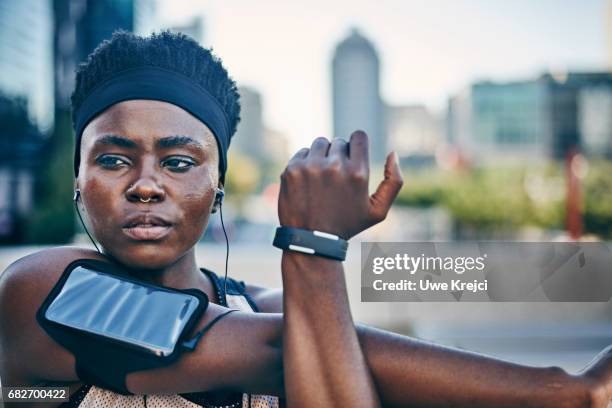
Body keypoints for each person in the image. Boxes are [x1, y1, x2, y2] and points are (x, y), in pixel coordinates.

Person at [1, 30, 612, 408]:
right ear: (77, 179)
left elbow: (326, 348)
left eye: (180, 160)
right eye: (112, 159)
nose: (145, 186)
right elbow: (281, 349)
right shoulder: (38, 292)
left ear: (218, 184)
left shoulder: (263, 305)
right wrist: (313, 243)